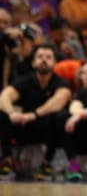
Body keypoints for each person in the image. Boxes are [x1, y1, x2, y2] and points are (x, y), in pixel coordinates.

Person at [0, 44, 72, 180]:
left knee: (58, 116)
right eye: (40, 57)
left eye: (48, 57)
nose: (44, 60)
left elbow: (59, 101)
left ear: (55, 63)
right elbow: (4, 96)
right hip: (23, 126)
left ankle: (47, 163)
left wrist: (34, 115)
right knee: (3, 114)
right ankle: (7, 160)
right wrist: (12, 113)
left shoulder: (61, 83)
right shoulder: (24, 80)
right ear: (33, 63)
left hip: (46, 129)